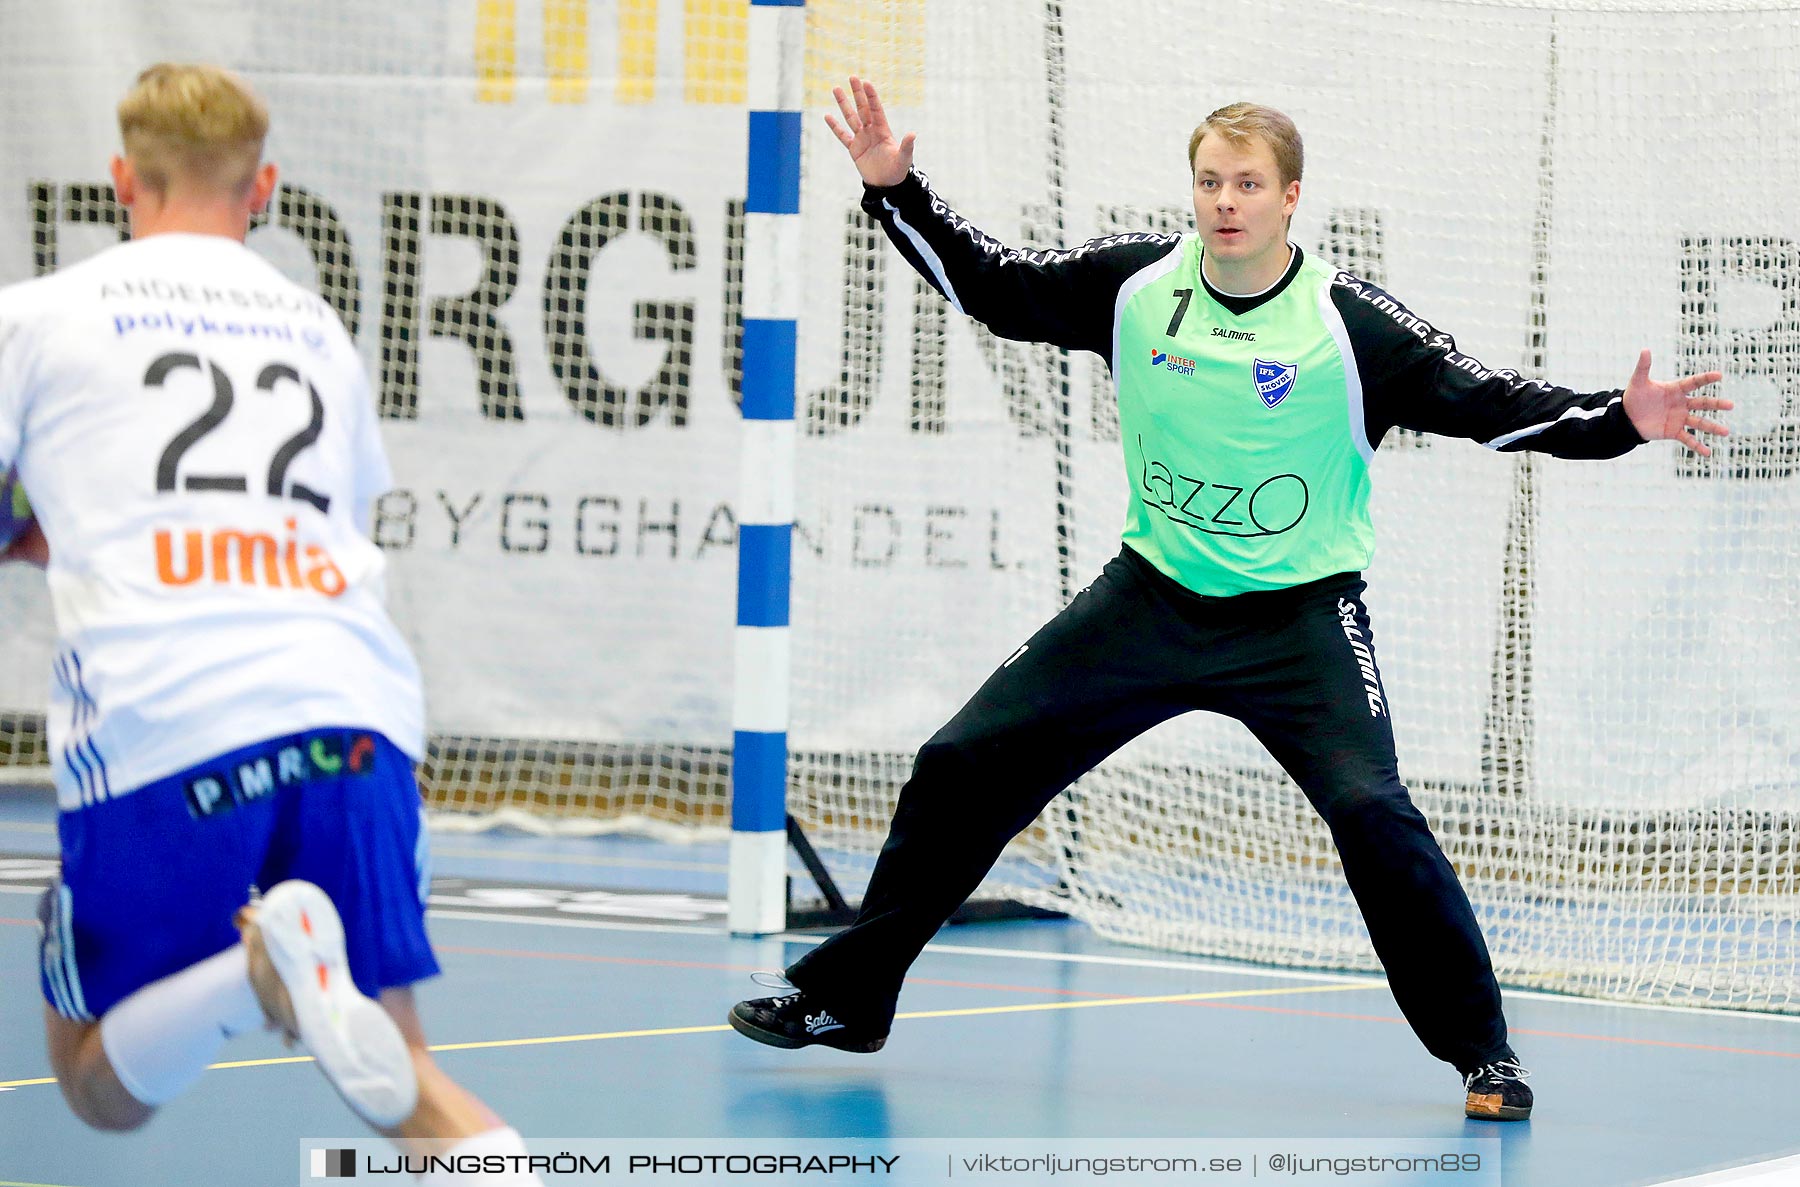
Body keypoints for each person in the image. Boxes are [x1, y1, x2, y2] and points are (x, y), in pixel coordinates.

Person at [729, 77, 1732, 1122]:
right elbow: (994, 286)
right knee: (962, 759)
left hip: (1299, 622)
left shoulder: (1346, 325)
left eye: (1248, 183)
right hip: (1151, 598)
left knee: (1372, 810)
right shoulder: (1137, 286)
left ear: (1291, 197)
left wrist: (1621, 416)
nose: (1225, 201)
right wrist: (897, 189)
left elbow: (1492, 405)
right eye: (1210, 181)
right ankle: (847, 997)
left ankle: (1483, 1048)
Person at [0, 64, 541, 1183]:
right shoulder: (316, 329)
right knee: (402, 1076)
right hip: (355, 713)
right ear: (266, 188)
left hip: (171, 715)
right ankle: (503, 1164)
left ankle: (255, 975)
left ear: (120, 181)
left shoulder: (39, 317)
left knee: (95, 1082)